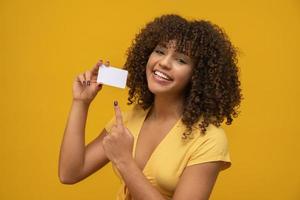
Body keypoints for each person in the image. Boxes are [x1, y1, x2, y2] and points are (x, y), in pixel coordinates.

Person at [59, 14, 242, 200]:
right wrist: (80, 103)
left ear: (198, 75)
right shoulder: (131, 119)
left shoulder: (209, 140)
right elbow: (70, 173)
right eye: (160, 51)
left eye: (181, 60)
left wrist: (124, 161)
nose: (163, 62)